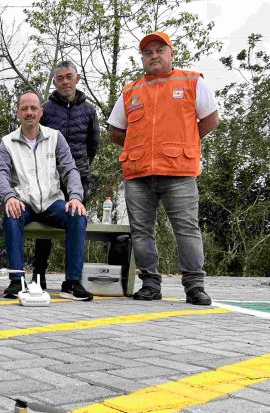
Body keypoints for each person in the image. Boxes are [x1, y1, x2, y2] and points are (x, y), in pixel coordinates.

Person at [107, 31, 219, 306]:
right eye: (148, 52)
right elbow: (115, 130)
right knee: (141, 231)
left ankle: (194, 286)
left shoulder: (191, 81)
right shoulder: (130, 90)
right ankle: (150, 284)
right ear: (142, 58)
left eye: (159, 50)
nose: (153, 55)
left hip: (179, 172)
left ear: (171, 53)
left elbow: (211, 119)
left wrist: (186, 142)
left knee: (186, 229)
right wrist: (139, 148)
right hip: (138, 173)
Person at [0, 91, 93, 302]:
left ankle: (72, 283)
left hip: (52, 202)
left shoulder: (55, 137)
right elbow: (1, 175)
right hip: (24, 202)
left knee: (77, 214)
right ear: (18, 113)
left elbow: (70, 169)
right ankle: (17, 280)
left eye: (33, 108)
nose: (29, 112)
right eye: (24, 108)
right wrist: (9, 197)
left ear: (41, 112)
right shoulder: (7, 142)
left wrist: (75, 197)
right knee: (11, 214)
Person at [32, 60, 100, 288]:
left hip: (78, 177)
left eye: (69, 77)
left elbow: (93, 144)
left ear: (77, 79)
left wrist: (80, 168)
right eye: (60, 78)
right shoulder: (46, 109)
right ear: (54, 82)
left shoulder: (89, 110)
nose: (65, 82)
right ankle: (39, 274)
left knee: (76, 224)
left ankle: (72, 279)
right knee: (43, 228)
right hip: (48, 177)